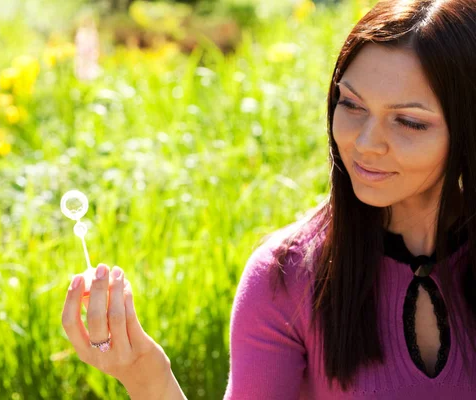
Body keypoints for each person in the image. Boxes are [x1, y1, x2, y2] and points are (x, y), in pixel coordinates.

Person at [61, 0, 476, 398]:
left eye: (408, 122)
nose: (366, 143)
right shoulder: (286, 277)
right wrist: (146, 376)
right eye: (351, 104)